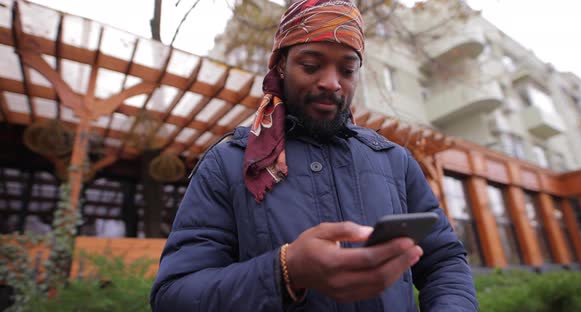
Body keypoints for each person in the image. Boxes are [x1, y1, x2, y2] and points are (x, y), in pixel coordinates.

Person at [150, 0, 478, 311]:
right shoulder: (229, 162)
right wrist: (286, 271)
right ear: (281, 66)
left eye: (347, 71)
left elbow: (444, 261)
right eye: (311, 65)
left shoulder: (395, 161)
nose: (331, 83)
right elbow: (174, 295)